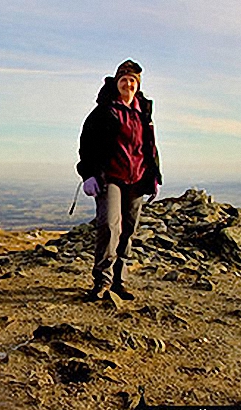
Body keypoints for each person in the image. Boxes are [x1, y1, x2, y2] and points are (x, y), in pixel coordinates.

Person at [77, 59, 162, 301]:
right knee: (109, 226)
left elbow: (150, 147)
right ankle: (102, 282)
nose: (128, 84)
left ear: (138, 85)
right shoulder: (104, 111)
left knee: (129, 230)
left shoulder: (143, 113)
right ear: (117, 83)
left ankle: (119, 281)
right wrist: (88, 174)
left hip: (137, 179)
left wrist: (154, 175)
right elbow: (86, 146)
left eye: (132, 81)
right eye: (123, 80)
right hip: (110, 177)